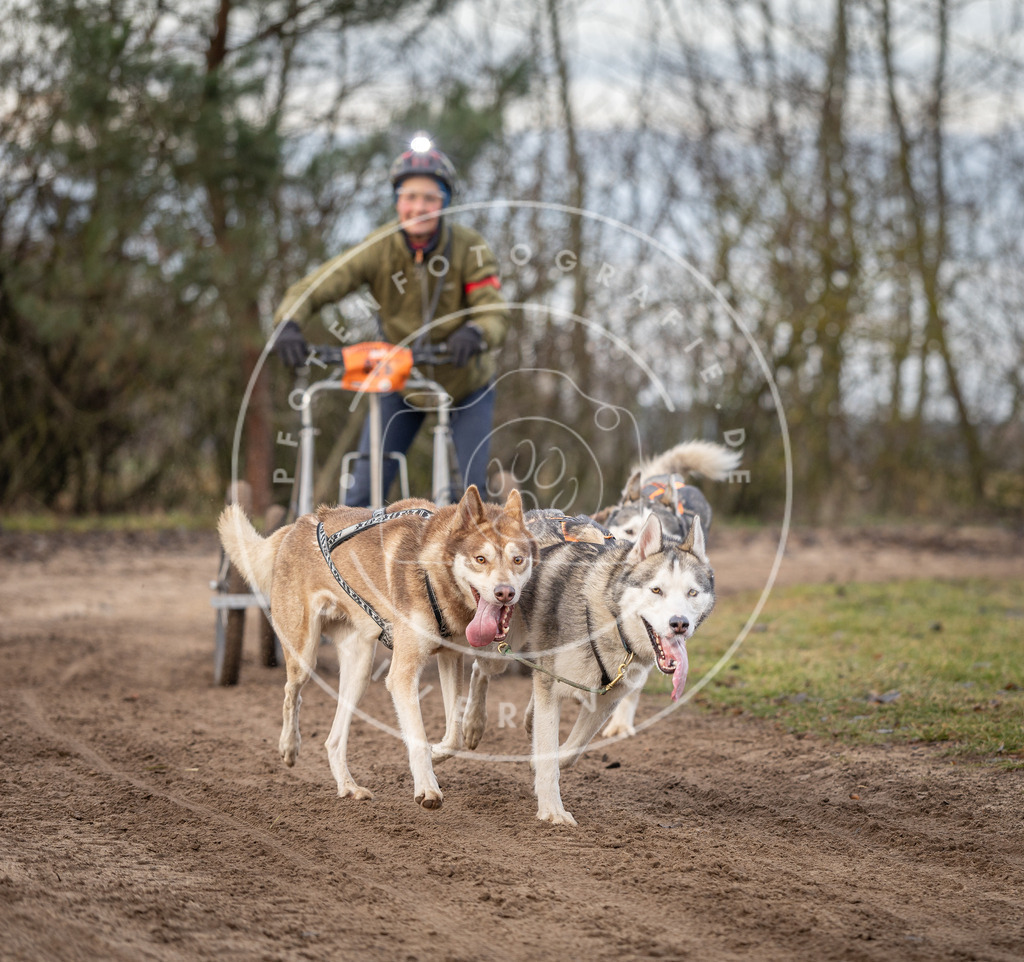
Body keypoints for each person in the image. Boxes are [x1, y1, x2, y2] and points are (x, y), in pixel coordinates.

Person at [271, 134, 509, 506]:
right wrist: (288, 322)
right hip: (401, 382)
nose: (419, 206)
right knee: (364, 490)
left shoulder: (469, 248)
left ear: (444, 203)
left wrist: (476, 331)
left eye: (430, 197)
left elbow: (492, 309)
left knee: (471, 494)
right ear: (398, 202)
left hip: (465, 384)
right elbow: (319, 285)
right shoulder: (378, 247)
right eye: (410, 197)